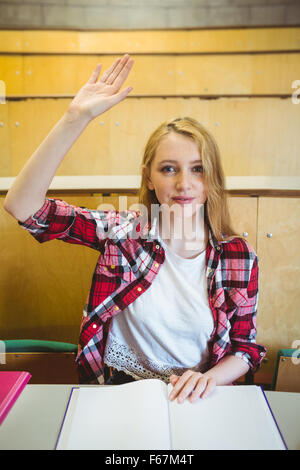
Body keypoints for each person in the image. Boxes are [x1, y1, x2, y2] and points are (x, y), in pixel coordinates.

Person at [4, 54, 266, 404]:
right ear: (149, 177)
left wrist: (207, 380)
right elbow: (22, 207)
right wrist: (74, 118)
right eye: (169, 169)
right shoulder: (124, 233)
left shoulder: (238, 256)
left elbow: (245, 349)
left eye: (198, 169)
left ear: (212, 178)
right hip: (120, 391)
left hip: (199, 395)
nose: (184, 184)